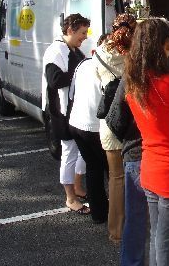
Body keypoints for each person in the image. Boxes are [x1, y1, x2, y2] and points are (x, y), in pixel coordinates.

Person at [106, 18, 169, 266]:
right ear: (166, 45)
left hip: (148, 165)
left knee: (156, 235)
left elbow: (119, 120)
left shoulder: (133, 81)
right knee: (167, 245)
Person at [94, 13, 137, 243]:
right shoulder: (134, 54)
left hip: (109, 123)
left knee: (115, 178)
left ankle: (116, 232)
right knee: (137, 175)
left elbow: (97, 82)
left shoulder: (99, 53)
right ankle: (138, 222)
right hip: (132, 123)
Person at [42, 13, 90, 214]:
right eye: (82, 32)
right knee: (69, 153)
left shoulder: (72, 49)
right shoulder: (56, 51)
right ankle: (70, 197)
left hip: (75, 110)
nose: (85, 37)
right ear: (70, 30)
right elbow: (55, 81)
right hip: (61, 113)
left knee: (81, 151)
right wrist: (80, 73)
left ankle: (78, 186)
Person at [68, 34, 109, 224]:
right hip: (95, 126)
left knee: (93, 168)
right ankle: (116, 211)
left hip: (77, 123)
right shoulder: (107, 67)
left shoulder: (82, 64)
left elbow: (72, 93)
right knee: (112, 171)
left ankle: (99, 213)